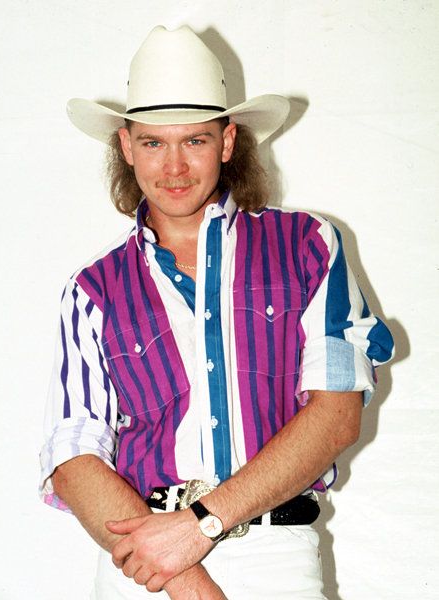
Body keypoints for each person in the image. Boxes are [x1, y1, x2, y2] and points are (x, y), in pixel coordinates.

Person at [39, 25, 394, 599]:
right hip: (147, 565)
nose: (174, 167)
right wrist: (187, 578)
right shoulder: (92, 289)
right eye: (153, 143)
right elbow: (74, 455)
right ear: (126, 147)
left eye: (195, 141)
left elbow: (336, 415)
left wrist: (202, 523)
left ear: (228, 142)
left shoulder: (307, 245)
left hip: (276, 559)